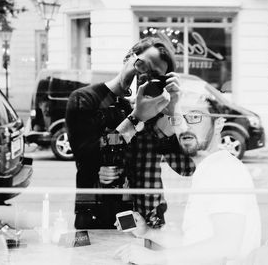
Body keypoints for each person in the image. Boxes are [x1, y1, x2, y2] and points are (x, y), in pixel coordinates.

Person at [115, 92, 261, 265]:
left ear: (219, 123)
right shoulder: (208, 169)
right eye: (178, 119)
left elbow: (227, 245)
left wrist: (156, 258)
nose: (184, 127)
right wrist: (147, 232)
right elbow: (195, 243)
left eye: (194, 116)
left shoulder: (224, 170)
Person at [66, 37, 194, 229]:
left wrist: (174, 110)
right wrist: (135, 119)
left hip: (147, 221)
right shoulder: (85, 99)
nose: (144, 76)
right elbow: (86, 156)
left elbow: (186, 168)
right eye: (142, 65)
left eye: (154, 75)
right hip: (98, 219)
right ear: (128, 57)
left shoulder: (154, 112)